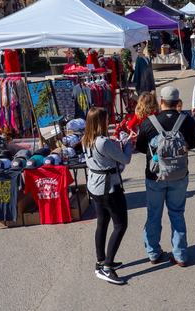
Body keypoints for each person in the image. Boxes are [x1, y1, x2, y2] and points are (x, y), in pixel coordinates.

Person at [136, 87, 195, 268]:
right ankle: (180, 255)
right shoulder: (187, 121)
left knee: (153, 214)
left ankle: (154, 253)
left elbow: (140, 148)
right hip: (179, 175)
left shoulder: (148, 122)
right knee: (177, 214)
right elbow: (192, 144)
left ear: (160, 101)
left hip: (154, 176)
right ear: (178, 102)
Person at [82, 107, 137, 284]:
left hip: (94, 186)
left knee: (102, 223)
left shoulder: (86, 139)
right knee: (120, 225)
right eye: (106, 119)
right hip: (109, 187)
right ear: (100, 122)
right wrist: (128, 142)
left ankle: (100, 261)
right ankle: (107, 268)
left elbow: (107, 155)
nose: (109, 122)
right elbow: (125, 159)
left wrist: (120, 142)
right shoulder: (103, 142)